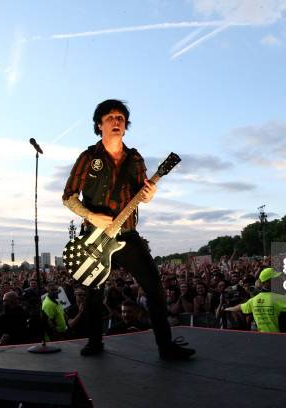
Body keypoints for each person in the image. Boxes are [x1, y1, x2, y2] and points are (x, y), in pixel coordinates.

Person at [62, 99, 195, 359]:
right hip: (94, 236)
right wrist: (91, 215)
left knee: (155, 289)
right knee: (93, 292)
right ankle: (94, 342)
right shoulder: (88, 157)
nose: (116, 121)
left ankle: (165, 347)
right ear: (99, 125)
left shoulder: (135, 159)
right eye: (110, 117)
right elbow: (68, 197)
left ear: (125, 126)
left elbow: (142, 194)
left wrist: (149, 194)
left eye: (120, 118)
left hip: (128, 235)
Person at [224, 268, 286, 333]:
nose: (279, 280)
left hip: (262, 339)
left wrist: (227, 309)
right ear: (267, 282)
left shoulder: (254, 300)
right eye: (276, 278)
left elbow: (240, 307)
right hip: (279, 341)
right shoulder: (278, 299)